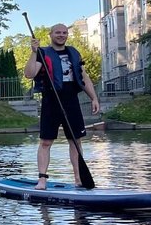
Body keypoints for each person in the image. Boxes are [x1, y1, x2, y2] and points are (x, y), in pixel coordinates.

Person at [23, 23, 100, 190]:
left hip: (71, 99)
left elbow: (84, 77)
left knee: (76, 141)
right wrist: (33, 52)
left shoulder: (73, 52)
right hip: (51, 100)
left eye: (64, 33)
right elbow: (29, 74)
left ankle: (79, 178)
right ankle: (42, 180)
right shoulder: (42, 53)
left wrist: (94, 98)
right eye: (58, 32)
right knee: (46, 142)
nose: (61, 35)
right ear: (51, 34)